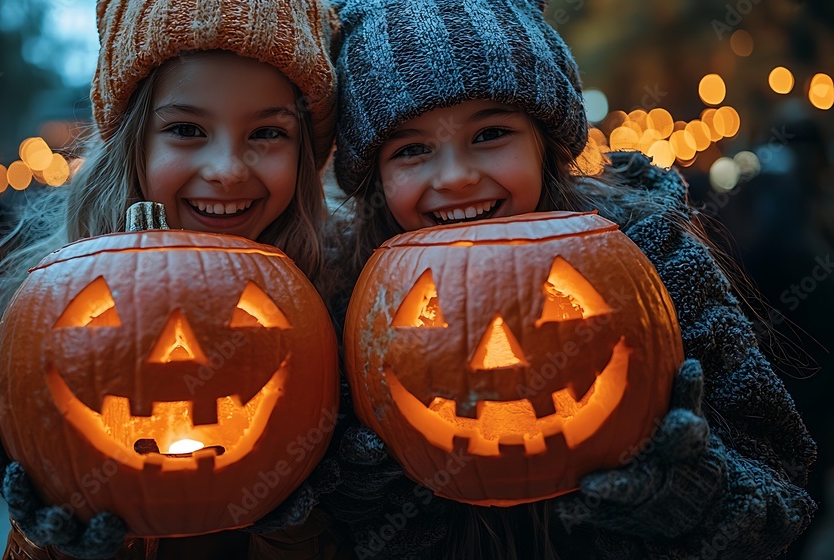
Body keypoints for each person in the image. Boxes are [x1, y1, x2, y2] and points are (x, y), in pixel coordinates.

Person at [321, 0, 817, 558]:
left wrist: (683, 494)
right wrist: (367, 492)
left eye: (490, 134)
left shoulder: (655, 260)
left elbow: (785, 501)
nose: (456, 177)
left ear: (545, 141)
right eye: (412, 149)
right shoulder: (349, 304)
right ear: (374, 176)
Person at [0, 0, 345, 557]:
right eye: (187, 129)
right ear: (134, 145)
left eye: (267, 132)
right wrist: (45, 543)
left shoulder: (353, 305)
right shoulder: (54, 303)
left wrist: (303, 535)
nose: (226, 170)